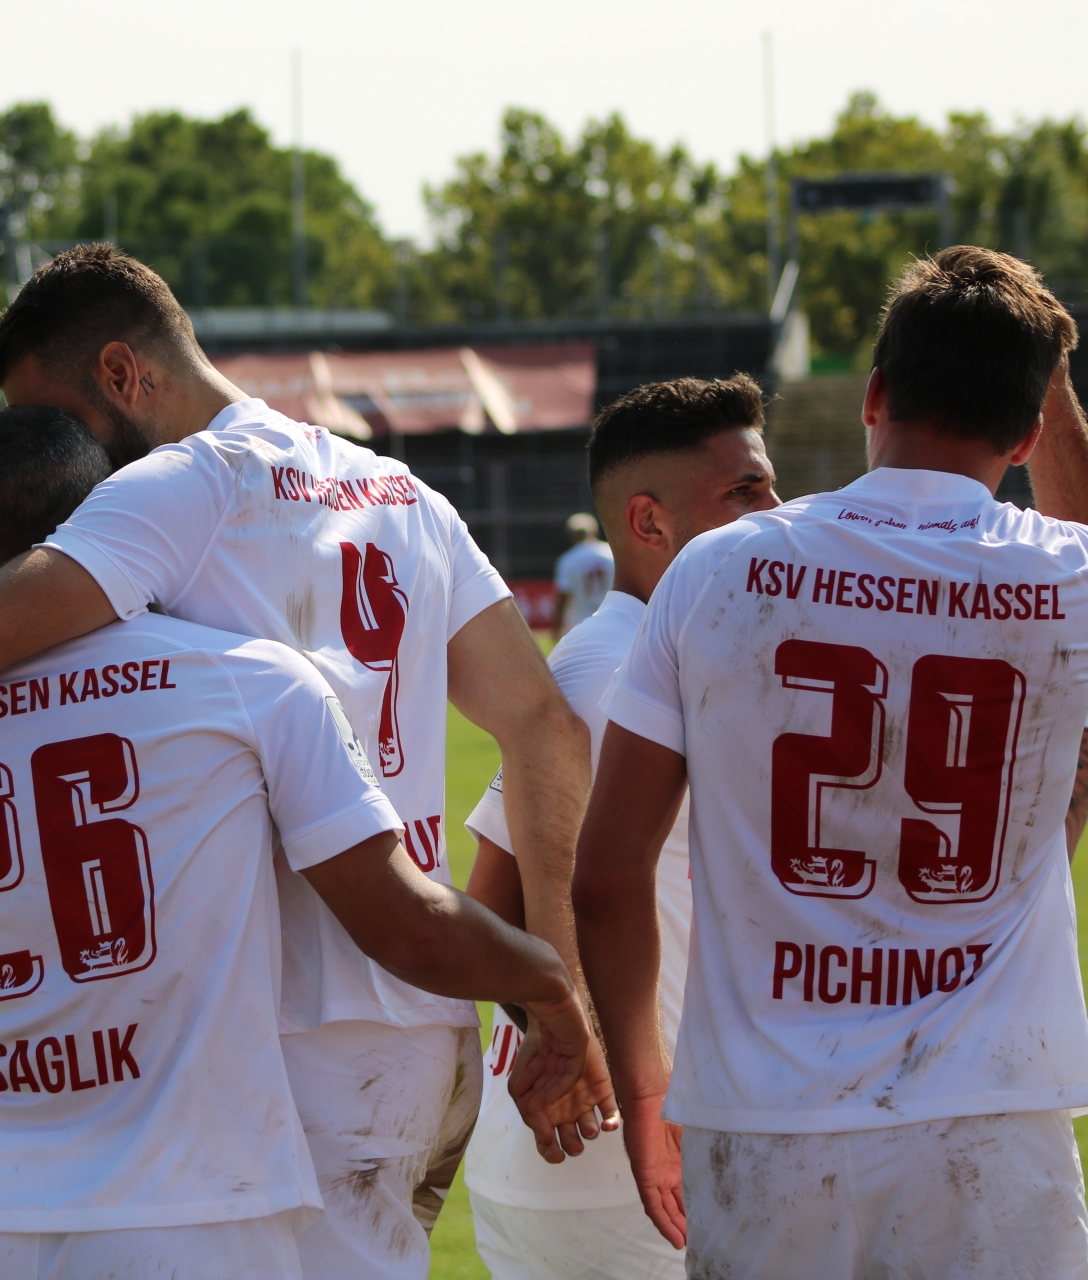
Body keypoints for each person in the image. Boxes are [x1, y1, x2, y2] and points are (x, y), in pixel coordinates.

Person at [0, 245, 607, 1280]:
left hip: (272, 1033)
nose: (60, 446)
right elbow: (545, 725)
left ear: (122, 373)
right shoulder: (400, 491)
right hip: (423, 1016)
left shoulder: (170, 486)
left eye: (55, 412)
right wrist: (554, 988)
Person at [575, 246, 1088, 1277]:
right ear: (1031, 431)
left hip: (767, 1122)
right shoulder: (1071, 576)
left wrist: (641, 1091)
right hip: (992, 1113)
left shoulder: (714, 567)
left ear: (875, 392)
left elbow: (607, 871)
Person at [460, 375, 777, 1280]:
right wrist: (579, 1059)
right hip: (621, 1171)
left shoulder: (621, 654)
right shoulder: (620, 673)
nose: (774, 510)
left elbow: (496, 899)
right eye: (744, 492)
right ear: (649, 524)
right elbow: (494, 905)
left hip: (593, 1164)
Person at [553, 512, 614, 636]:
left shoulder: (568, 559)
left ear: (571, 535)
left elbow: (563, 598)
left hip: (581, 623)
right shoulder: (611, 553)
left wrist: (557, 627)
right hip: (612, 618)